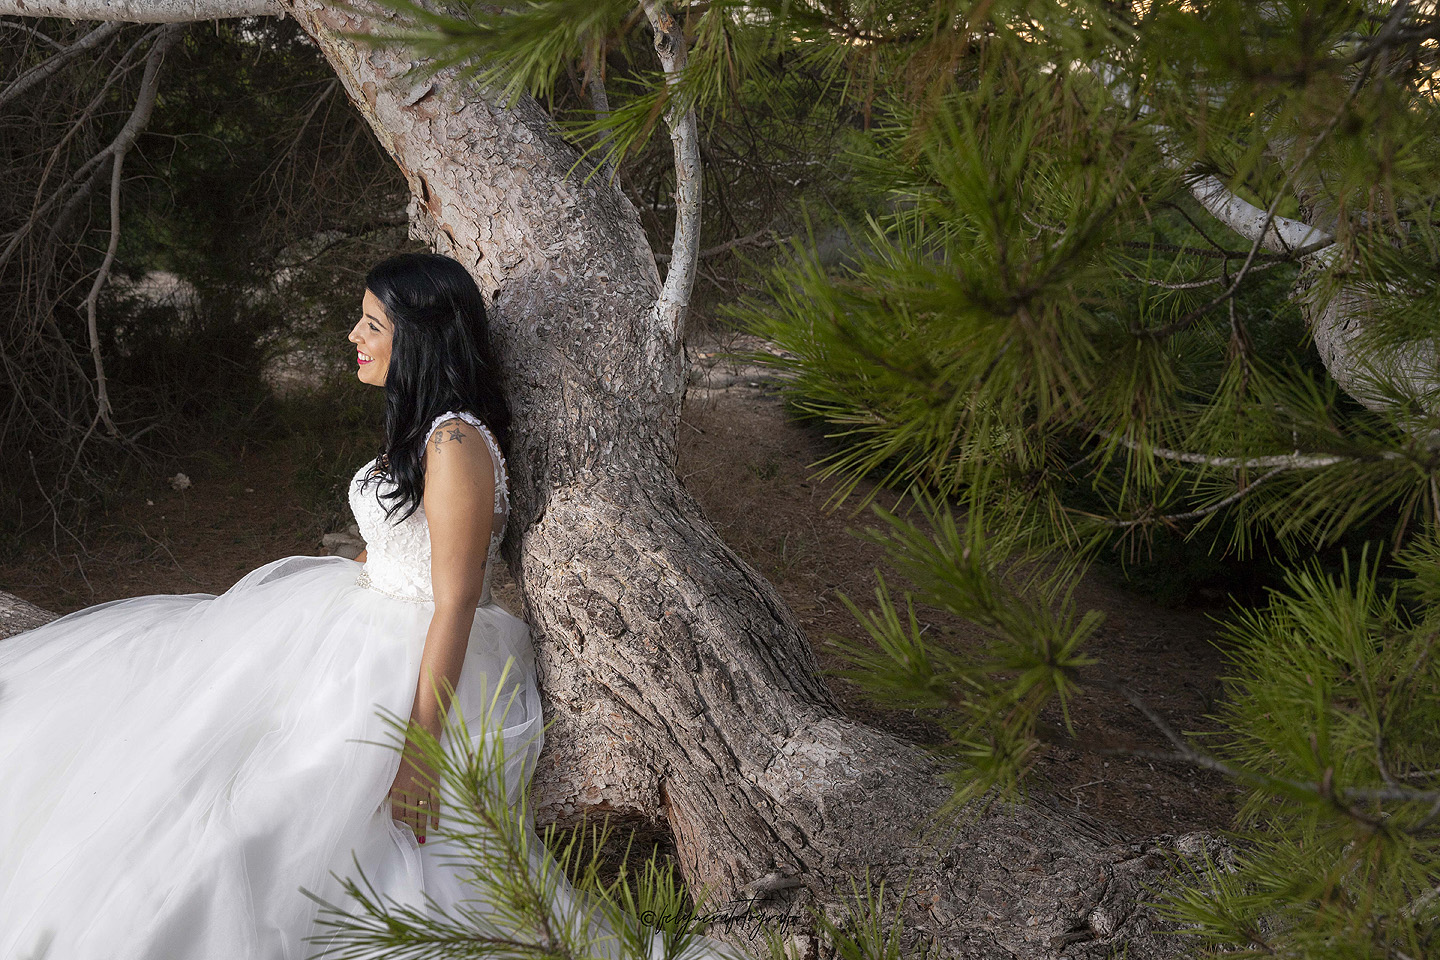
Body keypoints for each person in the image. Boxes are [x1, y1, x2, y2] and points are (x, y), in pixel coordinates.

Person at [0, 252, 735, 960]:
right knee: (196, 745)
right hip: (355, 619)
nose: (354, 336)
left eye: (372, 324)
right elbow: (392, 544)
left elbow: (456, 598)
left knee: (288, 811)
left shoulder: (454, 442)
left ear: (419, 335)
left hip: (415, 653)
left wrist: (418, 754)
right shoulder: (423, 430)